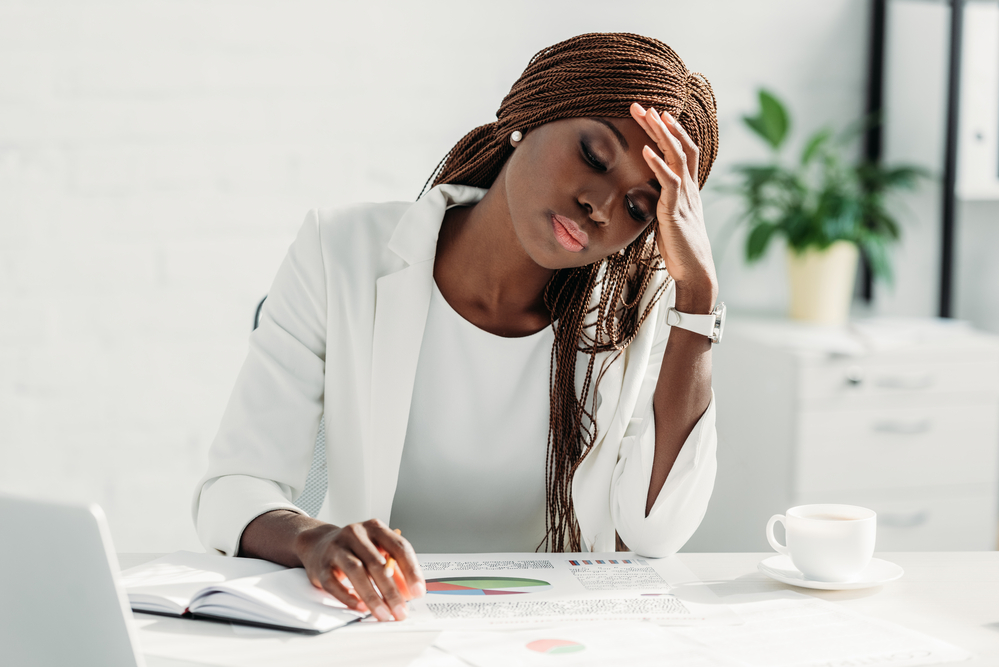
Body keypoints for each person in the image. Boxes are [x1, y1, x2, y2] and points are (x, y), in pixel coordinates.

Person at [192, 32, 720, 624]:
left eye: (638, 207)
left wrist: (697, 298)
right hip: (383, 627)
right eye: (596, 156)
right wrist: (311, 539)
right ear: (530, 114)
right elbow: (233, 488)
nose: (602, 204)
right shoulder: (339, 253)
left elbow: (655, 533)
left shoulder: (636, 312)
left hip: (554, 635)